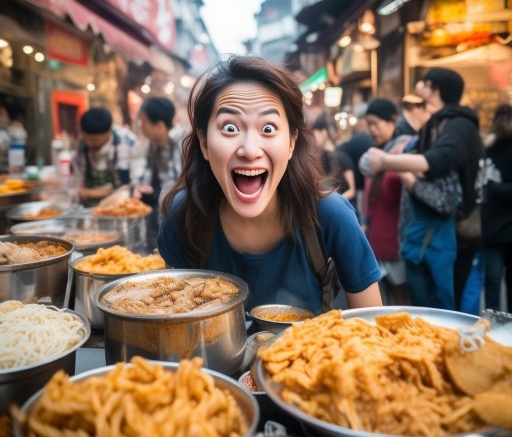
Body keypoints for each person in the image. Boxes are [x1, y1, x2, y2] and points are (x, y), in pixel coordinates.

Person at [157, 55, 382, 314]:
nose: (250, 150)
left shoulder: (332, 216)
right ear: (204, 143)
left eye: (268, 128)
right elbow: (170, 322)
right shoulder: (183, 216)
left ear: (291, 143)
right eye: (230, 128)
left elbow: (374, 331)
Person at [361, 68, 483, 310]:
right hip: (422, 241)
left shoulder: (457, 125)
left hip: (445, 239)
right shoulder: (438, 126)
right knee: (424, 307)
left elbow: (441, 180)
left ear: (433, 89)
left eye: (422, 85)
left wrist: (390, 164)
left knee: (446, 310)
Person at [361, 98, 409, 305]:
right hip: (377, 242)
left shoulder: (403, 151)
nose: (372, 129)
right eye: (368, 124)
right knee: (382, 303)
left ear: (392, 121)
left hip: (396, 245)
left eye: (375, 123)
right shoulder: (379, 153)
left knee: (401, 302)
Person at [134, 97, 182, 249]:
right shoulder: (152, 146)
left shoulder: (181, 145)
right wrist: (143, 187)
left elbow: (180, 182)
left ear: (159, 126)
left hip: (178, 215)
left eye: (143, 122)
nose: (141, 127)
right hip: (159, 213)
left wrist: (157, 193)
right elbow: (148, 174)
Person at [481, 104, 512, 311]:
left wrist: (493, 188)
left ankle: (494, 331)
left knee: (492, 285)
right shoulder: (487, 147)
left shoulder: (487, 147)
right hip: (499, 227)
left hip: (491, 226)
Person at [74, 107, 137, 206]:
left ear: (109, 132)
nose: (91, 144)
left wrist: (90, 192)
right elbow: (79, 185)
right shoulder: (81, 145)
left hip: (121, 205)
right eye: (87, 139)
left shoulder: (126, 142)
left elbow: (133, 185)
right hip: (89, 207)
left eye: (95, 141)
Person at [311, 113, 356, 205]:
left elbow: (352, 190)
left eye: (313, 136)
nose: (312, 141)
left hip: (345, 208)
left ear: (324, 133)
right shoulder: (319, 158)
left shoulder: (341, 156)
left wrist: (333, 203)